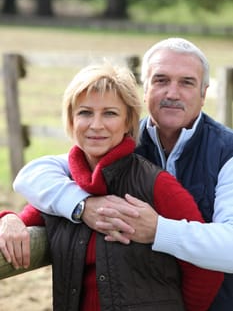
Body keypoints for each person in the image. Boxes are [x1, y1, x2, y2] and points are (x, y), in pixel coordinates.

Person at [1, 37, 233, 309]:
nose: (172, 92)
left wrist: (158, 231)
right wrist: (81, 206)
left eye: (186, 82)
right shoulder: (119, 141)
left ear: (204, 93)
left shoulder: (226, 151)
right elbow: (35, 174)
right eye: (160, 80)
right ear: (144, 90)